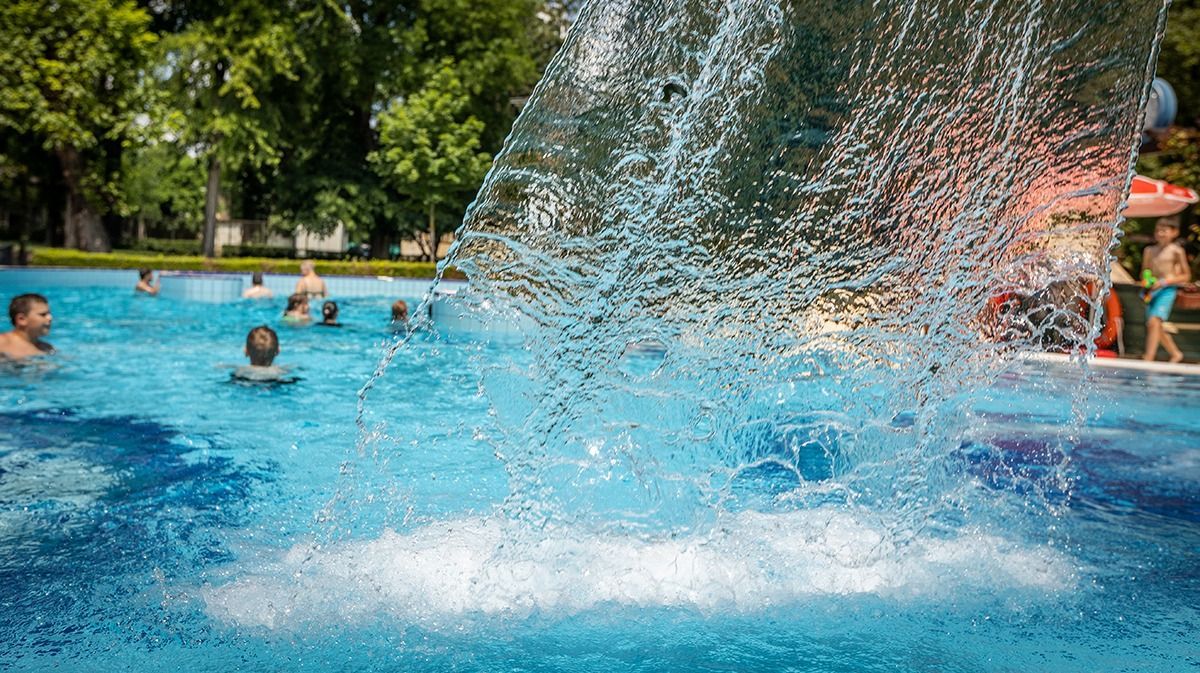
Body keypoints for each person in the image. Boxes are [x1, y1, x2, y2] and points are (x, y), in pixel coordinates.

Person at [1142, 217, 1191, 363]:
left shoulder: (1176, 251)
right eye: (1158, 230)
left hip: (1167, 289)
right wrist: (1147, 282)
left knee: (1153, 321)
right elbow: (1145, 271)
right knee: (1154, 325)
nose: (1160, 233)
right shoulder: (1149, 250)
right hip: (1152, 290)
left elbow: (1186, 275)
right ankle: (1176, 353)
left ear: (1174, 232)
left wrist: (1164, 282)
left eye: (1164, 230)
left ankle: (1148, 357)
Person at [0, 293, 54, 359]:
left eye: (49, 313)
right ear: (21, 319)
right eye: (43, 314)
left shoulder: (47, 348)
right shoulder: (2, 343)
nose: (50, 318)